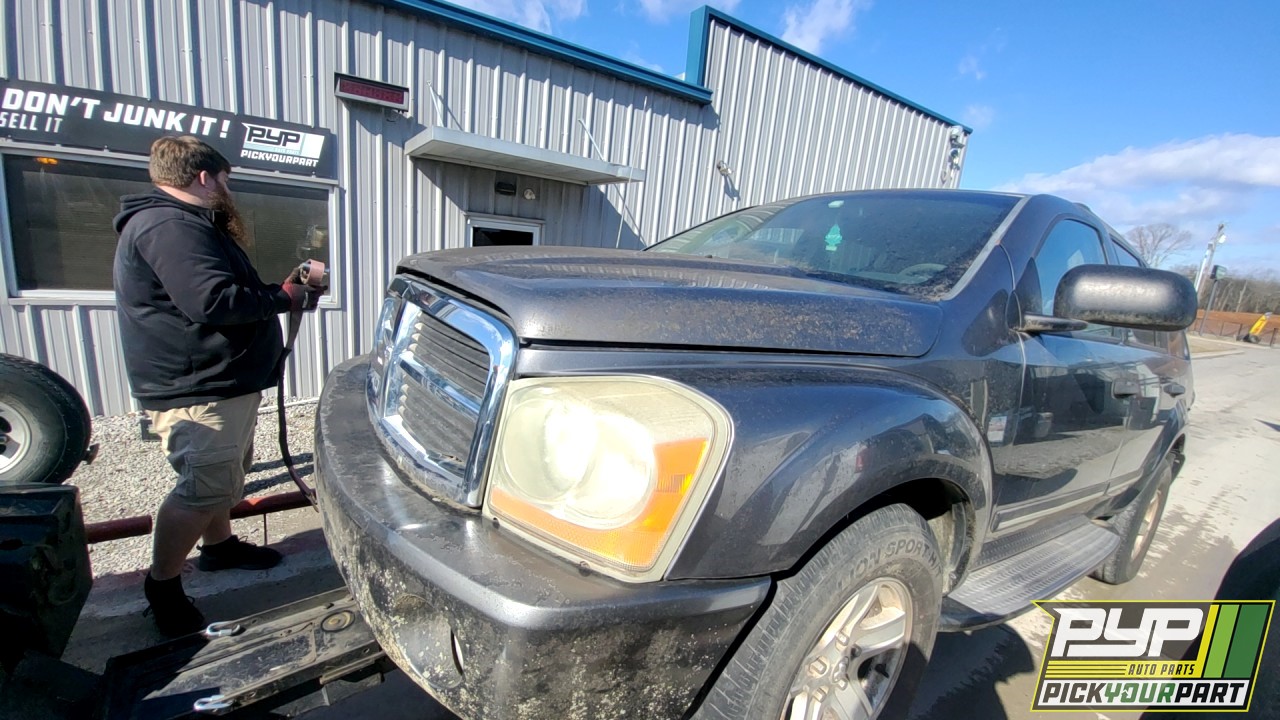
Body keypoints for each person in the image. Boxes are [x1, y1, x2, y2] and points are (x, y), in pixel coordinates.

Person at [112, 135, 321, 636]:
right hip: (199, 387)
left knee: (224, 479)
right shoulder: (170, 225)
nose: (228, 190)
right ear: (204, 177)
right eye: (225, 180)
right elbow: (213, 301)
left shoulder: (185, 225)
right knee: (203, 487)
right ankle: (161, 585)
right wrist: (286, 297)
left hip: (221, 382)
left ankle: (219, 548)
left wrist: (279, 293)